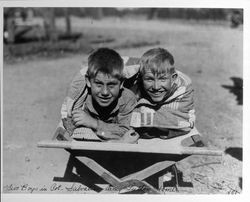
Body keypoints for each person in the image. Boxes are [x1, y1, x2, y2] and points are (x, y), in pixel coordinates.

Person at [60, 48, 139, 143]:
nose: (105, 92)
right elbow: (68, 125)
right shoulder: (82, 98)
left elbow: (127, 132)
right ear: (88, 81)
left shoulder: (127, 98)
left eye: (111, 85)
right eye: (99, 84)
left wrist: (94, 124)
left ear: (121, 83)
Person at [127, 48, 196, 139]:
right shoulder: (137, 81)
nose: (156, 87)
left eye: (162, 79)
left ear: (173, 78)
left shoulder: (184, 88)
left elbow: (184, 124)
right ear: (141, 78)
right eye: (149, 79)